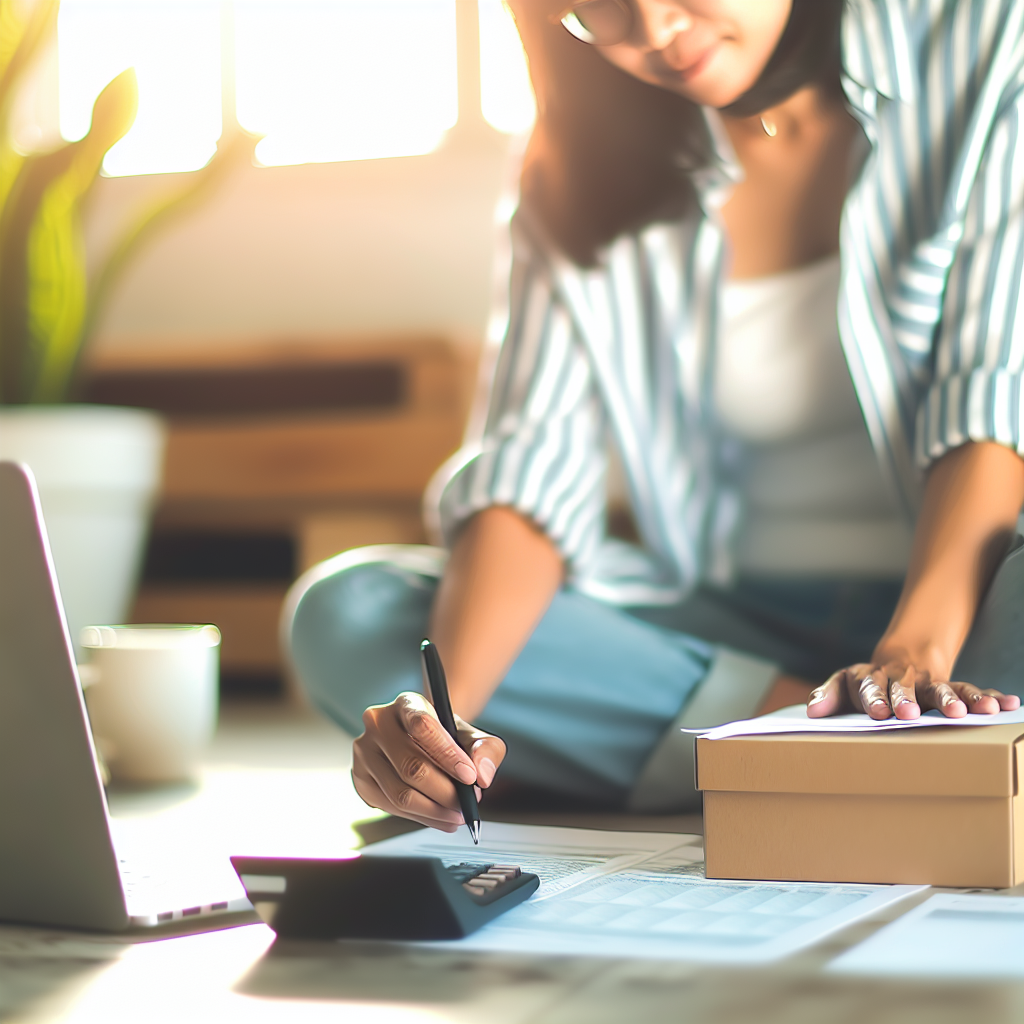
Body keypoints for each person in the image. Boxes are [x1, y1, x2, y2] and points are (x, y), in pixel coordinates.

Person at [284, 0, 1024, 832]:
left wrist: (911, 654)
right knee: (348, 614)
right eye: (597, 6)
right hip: (729, 627)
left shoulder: (986, 38)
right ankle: (850, 753)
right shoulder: (573, 161)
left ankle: (769, 755)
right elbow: (528, 472)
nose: (654, 31)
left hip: (968, 619)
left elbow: (990, 393)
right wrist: (443, 728)